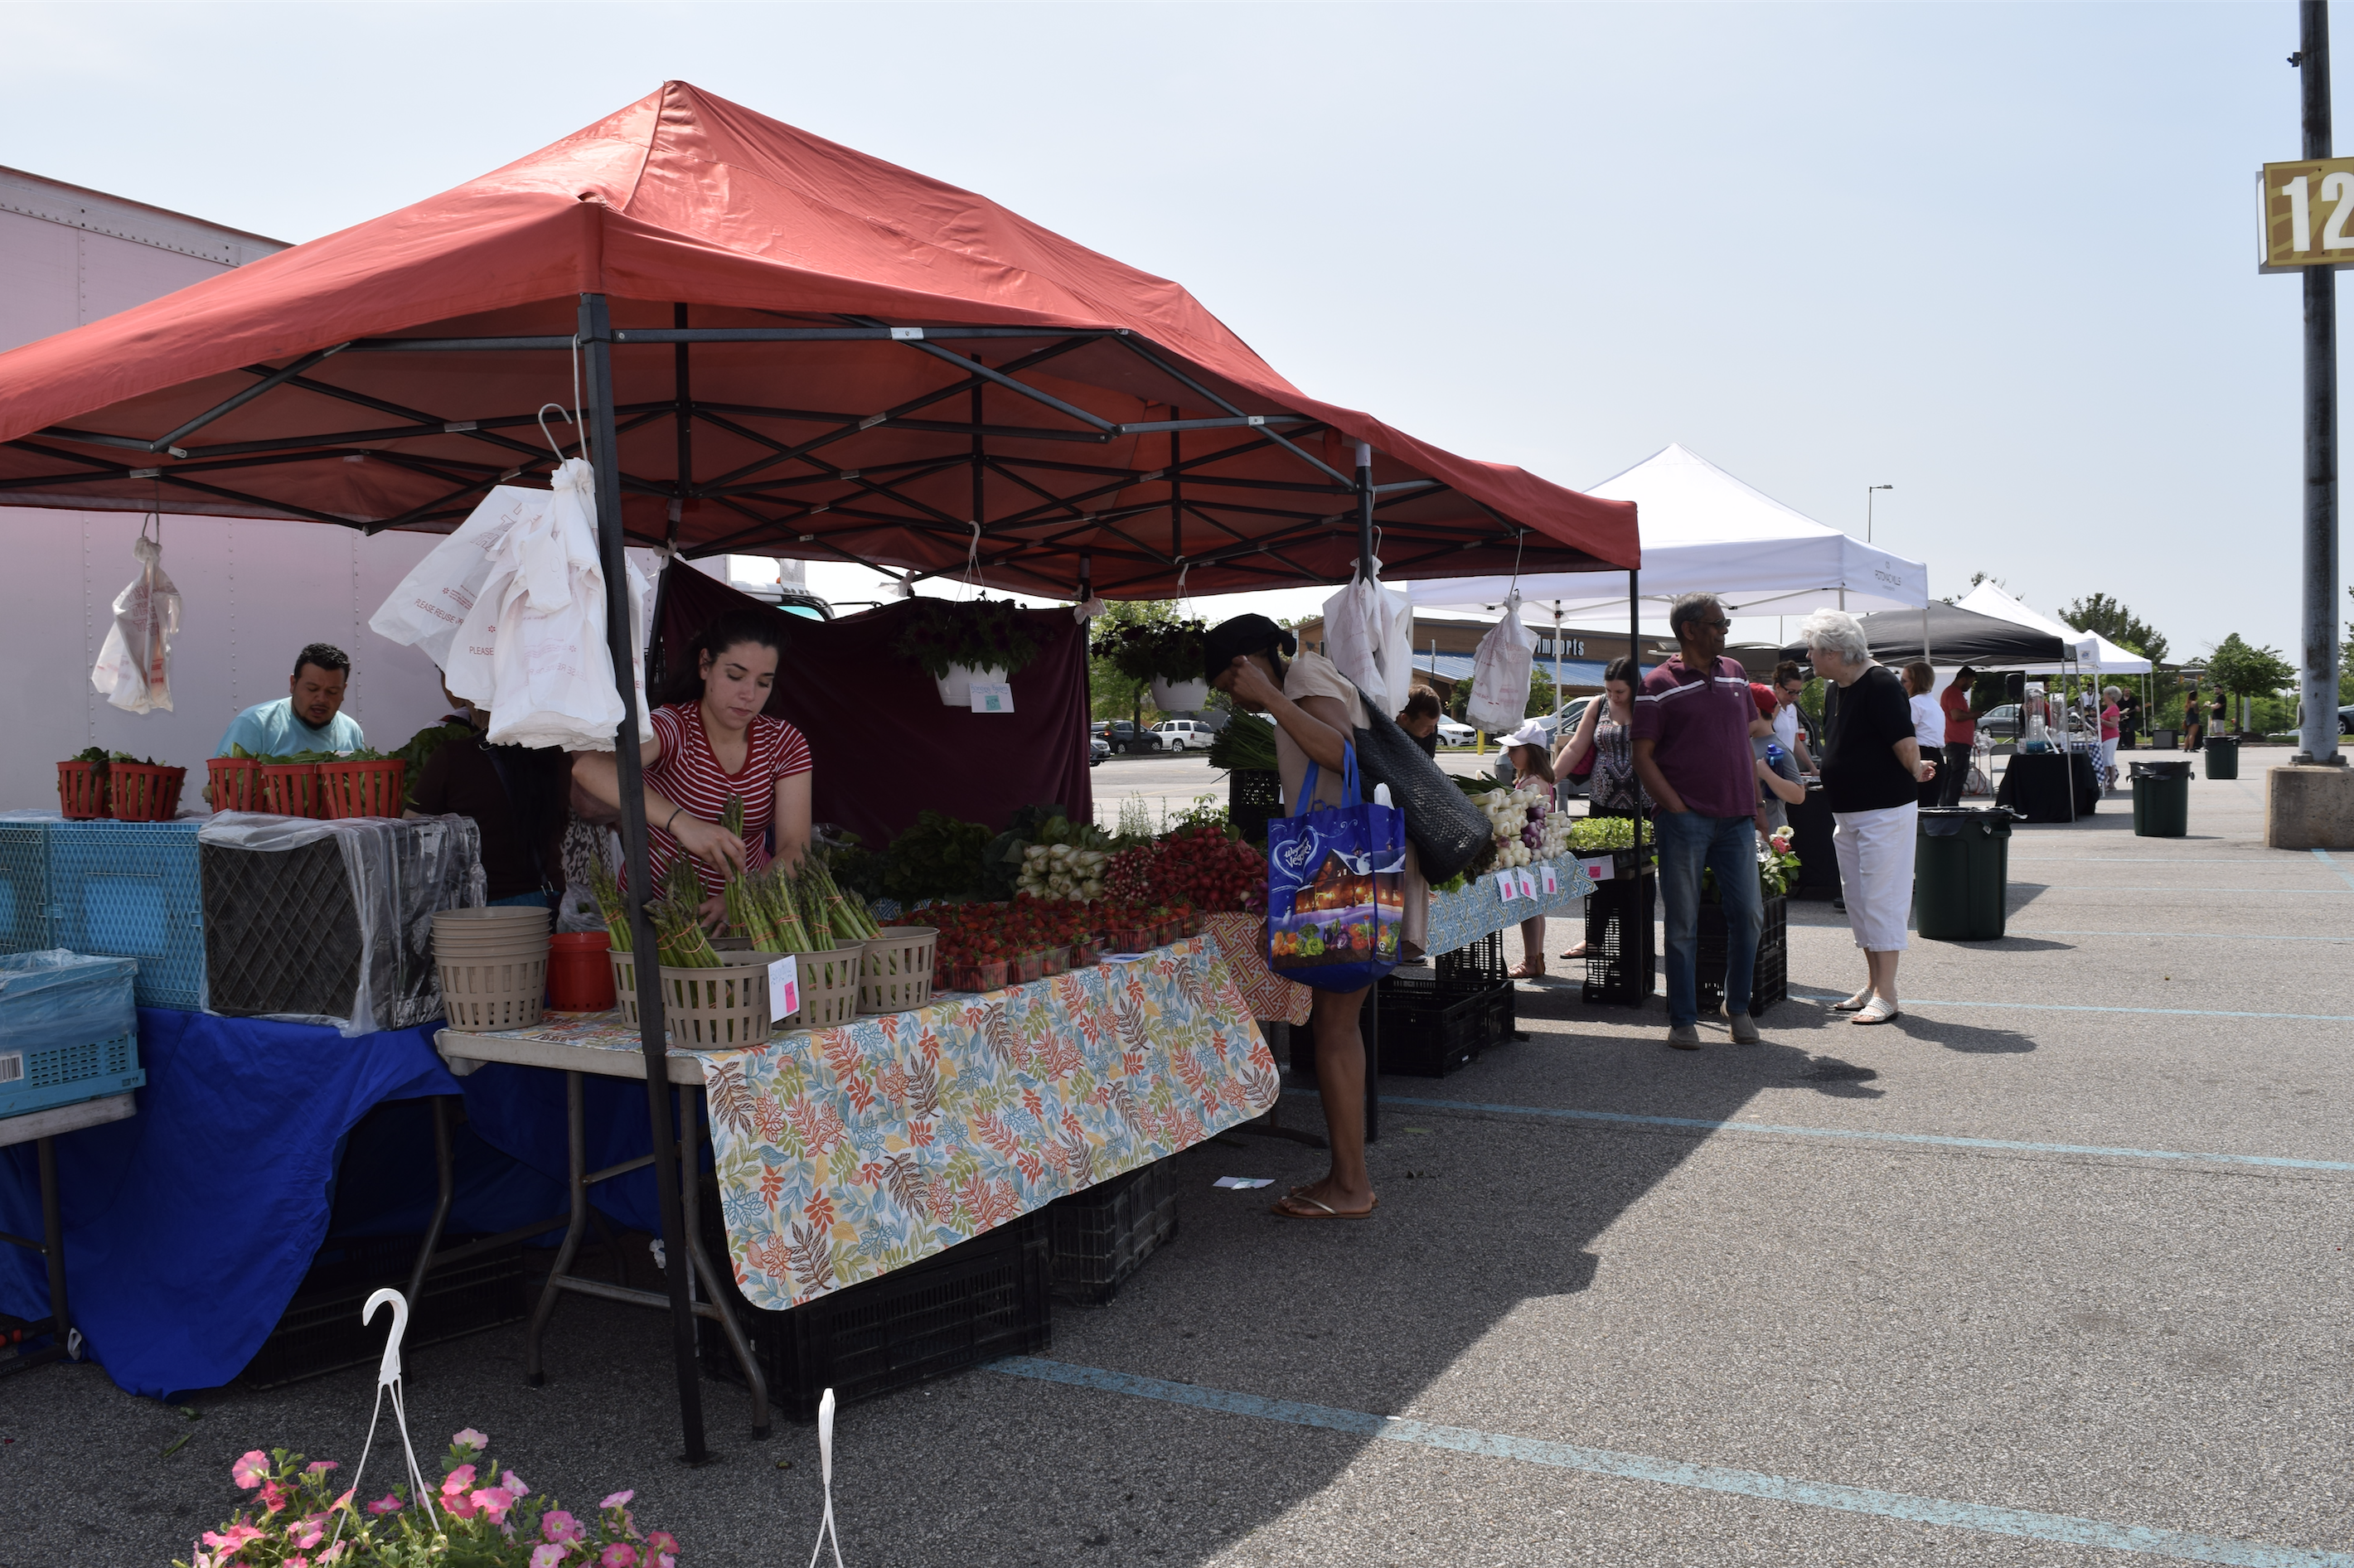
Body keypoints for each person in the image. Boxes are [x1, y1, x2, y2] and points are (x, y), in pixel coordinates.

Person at [1208, 612, 1426, 1221]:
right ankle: (1346, 1177)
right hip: (1344, 870)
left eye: (1229, 684)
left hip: (1343, 871)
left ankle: (1350, 1186)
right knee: (1339, 1025)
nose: (1235, 699)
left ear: (1245, 663)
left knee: (1333, 1028)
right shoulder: (1309, 676)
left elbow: (1340, 750)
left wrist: (1271, 696)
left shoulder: (1302, 675)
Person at [569, 610, 811, 928]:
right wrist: (682, 823)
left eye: (763, 682)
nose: (749, 695)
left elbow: (795, 850)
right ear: (705, 665)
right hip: (656, 919)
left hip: (743, 919)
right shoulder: (673, 726)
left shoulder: (784, 742)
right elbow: (588, 768)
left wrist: (738, 898)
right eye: (735, 676)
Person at [1631, 592, 1765, 1051]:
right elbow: (1642, 756)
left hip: (1736, 819)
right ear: (1689, 629)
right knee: (1683, 924)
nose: (1724, 630)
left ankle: (1739, 1007)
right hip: (1685, 822)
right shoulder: (1657, 684)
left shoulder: (1736, 675)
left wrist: (1758, 804)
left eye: (1724, 623)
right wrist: (1675, 806)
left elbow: (1744, 743)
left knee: (1748, 915)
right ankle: (1683, 1020)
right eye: (1717, 623)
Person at [1800, 608, 1936, 1027]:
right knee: (1859, 900)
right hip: (1849, 810)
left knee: (1882, 897)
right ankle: (1874, 983)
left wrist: (1916, 770)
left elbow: (1904, 740)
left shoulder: (1879, 683)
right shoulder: (1834, 686)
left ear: (1836, 652)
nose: (1809, 658)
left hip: (1883, 810)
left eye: (1814, 650)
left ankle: (1888, 992)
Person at [408, 682, 571, 906]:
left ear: (477, 699)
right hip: (550, 898)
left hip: (485, 910)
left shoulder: (453, 757)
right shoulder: (559, 752)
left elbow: (410, 832)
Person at [1552, 656, 1649, 961]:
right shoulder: (1597, 706)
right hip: (1603, 803)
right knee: (1600, 873)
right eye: (1609, 690)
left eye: (1619, 691)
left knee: (1640, 875)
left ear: (1634, 687)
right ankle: (1593, 939)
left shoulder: (1649, 705)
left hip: (1642, 806)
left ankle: (1638, 939)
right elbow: (1576, 746)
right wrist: (1549, 778)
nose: (1613, 697)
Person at [215, 642, 366, 757]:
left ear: (343, 691)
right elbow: (224, 789)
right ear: (293, 684)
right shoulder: (255, 724)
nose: (321, 699)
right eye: (312, 689)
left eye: (332, 692)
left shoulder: (351, 731)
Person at [1500, 718, 1556, 980]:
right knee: (1534, 908)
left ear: (1531, 751)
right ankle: (1536, 958)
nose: (1509, 755)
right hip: (1539, 851)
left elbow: (1523, 820)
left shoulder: (1532, 783)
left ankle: (1531, 961)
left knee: (1528, 909)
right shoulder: (1540, 779)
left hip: (1529, 852)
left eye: (1514, 750)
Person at [1901, 662, 1944, 810]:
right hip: (1936, 755)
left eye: (1904, 681)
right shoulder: (1933, 704)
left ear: (1916, 682)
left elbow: (1906, 734)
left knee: (1917, 807)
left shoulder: (1914, 703)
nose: (1901, 685)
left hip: (1921, 754)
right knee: (1929, 806)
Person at [1938, 666, 1978, 808]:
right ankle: (1951, 806)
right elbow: (1957, 715)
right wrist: (1973, 715)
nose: (1971, 685)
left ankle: (1946, 805)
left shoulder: (1953, 692)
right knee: (1957, 776)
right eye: (1970, 682)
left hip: (1955, 740)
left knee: (1951, 775)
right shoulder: (1954, 693)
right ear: (1963, 679)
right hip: (1958, 741)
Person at [1769, 661, 1818, 775]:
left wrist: (1812, 767)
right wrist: (1774, 713)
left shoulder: (1792, 709)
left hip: (1785, 765)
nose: (1794, 697)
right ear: (1778, 687)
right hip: (1769, 765)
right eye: (1791, 692)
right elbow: (1760, 733)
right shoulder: (1768, 706)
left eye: (1798, 693)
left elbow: (1795, 741)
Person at [1397, 686, 1444, 760]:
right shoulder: (1387, 733)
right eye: (1426, 726)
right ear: (1405, 719)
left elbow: (1427, 763)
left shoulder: (1429, 731)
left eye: (1434, 724)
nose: (1432, 731)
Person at [2099, 685, 2124, 790]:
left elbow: (2113, 724)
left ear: (2110, 696)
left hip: (2110, 736)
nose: (2104, 697)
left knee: (2107, 760)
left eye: (2105, 695)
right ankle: (2110, 783)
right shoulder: (2110, 708)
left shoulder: (2113, 708)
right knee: (2110, 760)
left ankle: (2106, 783)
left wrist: (2102, 721)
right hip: (2107, 736)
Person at [2182, 685, 2204, 752]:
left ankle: (2185, 748)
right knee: (2192, 734)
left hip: (2188, 719)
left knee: (2188, 734)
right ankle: (2191, 748)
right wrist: (2203, 707)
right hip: (2194, 719)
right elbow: (2196, 712)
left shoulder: (2188, 703)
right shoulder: (2194, 703)